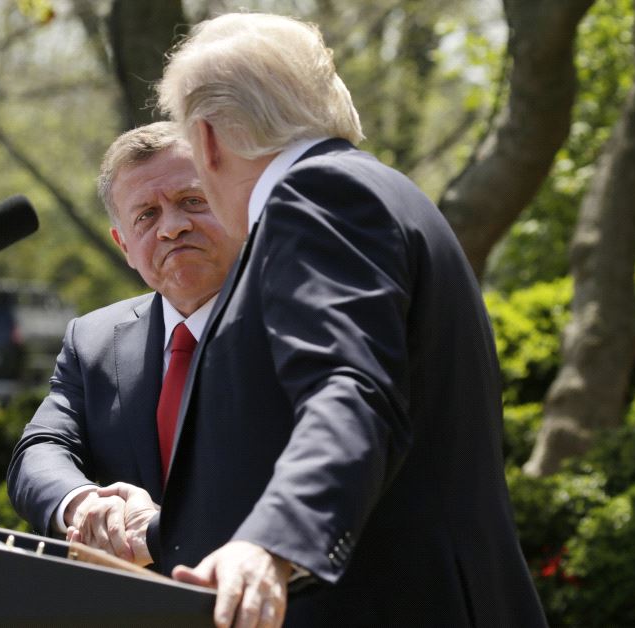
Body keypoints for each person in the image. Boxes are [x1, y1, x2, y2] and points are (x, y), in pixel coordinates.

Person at [91, 12, 547, 628]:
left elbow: (351, 391)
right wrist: (163, 527)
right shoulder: (374, 191)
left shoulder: (316, 198)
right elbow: (292, 429)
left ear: (207, 141)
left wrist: (274, 544)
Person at [6, 121, 243, 564]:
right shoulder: (92, 341)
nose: (172, 227)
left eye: (192, 201)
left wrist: (154, 530)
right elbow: (39, 452)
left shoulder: (293, 325)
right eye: (146, 216)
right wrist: (85, 504)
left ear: (236, 205)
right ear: (125, 247)